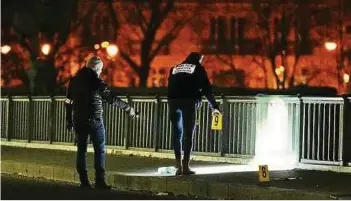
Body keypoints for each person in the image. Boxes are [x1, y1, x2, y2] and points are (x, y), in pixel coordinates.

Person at [65, 56, 136, 189]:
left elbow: (68, 102)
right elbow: (111, 99)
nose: (101, 72)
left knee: (81, 150)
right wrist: (127, 108)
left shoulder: (74, 81)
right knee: (99, 150)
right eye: (101, 69)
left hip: (78, 119)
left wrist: (69, 120)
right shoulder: (97, 82)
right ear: (97, 68)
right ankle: (100, 181)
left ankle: (84, 181)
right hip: (94, 120)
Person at [167, 52, 221, 175]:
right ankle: (185, 167)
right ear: (198, 59)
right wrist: (215, 106)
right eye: (201, 60)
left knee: (176, 134)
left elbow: (170, 84)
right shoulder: (198, 69)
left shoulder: (175, 68)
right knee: (188, 134)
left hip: (172, 102)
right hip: (188, 102)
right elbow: (207, 89)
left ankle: (178, 166)